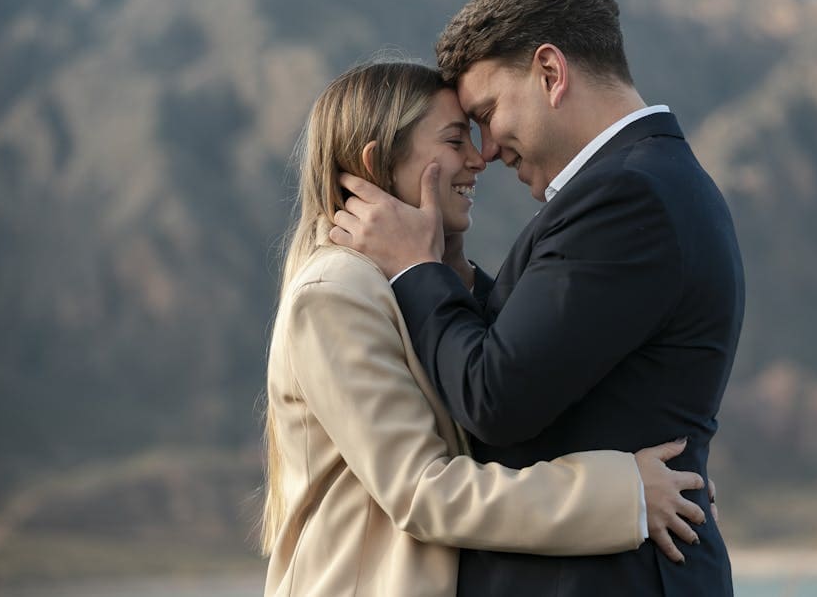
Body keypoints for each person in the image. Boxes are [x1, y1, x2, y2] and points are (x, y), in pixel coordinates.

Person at [330, 0, 745, 596]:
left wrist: (414, 268)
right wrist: (453, 272)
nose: (487, 150)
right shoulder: (647, 185)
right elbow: (544, 350)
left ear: (550, 72)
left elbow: (496, 396)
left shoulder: (628, 198)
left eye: (489, 111)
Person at [261, 60, 711, 597]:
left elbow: (507, 396)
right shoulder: (336, 294)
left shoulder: (416, 285)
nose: (480, 159)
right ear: (377, 159)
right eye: (455, 141)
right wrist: (627, 497)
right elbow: (423, 491)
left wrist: (679, 482)